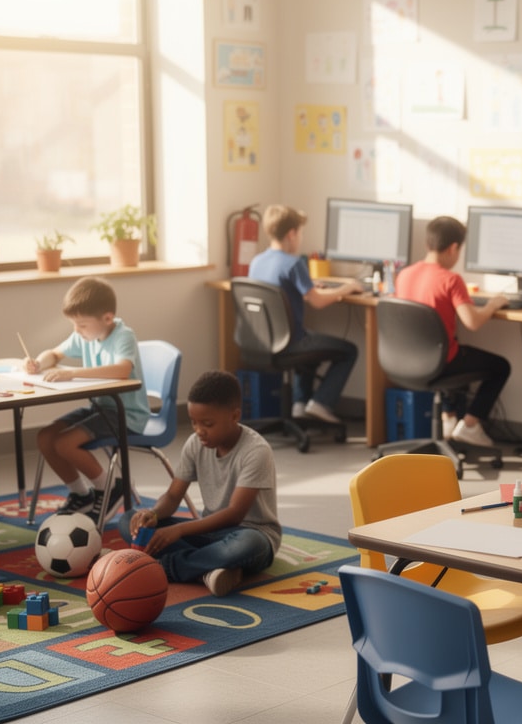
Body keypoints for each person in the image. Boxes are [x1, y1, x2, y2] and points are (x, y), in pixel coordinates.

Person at [120, 370, 280, 597]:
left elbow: (235, 514)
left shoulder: (256, 451)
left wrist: (179, 530)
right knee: (129, 521)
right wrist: (153, 514)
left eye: (207, 423)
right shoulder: (195, 443)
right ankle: (207, 570)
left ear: (234, 416)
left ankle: (162, 567)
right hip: (210, 532)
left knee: (247, 545)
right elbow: (173, 496)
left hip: (250, 533)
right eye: (194, 422)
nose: (198, 430)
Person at [25, 276, 149, 521]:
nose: (76, 331)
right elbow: (55, 353)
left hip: (126, 413)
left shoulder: (123, 335)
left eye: (81, 325)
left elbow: (122, 369)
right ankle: (81, 494)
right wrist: (38, 362)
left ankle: (111, 487)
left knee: (64, 443)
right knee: (46, 437)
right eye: (74, 324)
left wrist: (72, 373)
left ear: (107, 318)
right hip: (101, 407)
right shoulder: (85, 336)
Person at [393, 216, 510, 447]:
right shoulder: (451, 279)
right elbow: (473, 322)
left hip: (405, 361)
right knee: (500, 366)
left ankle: (448, 418)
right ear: (454, 248)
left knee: (456, 347)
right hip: (439, 362)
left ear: (428, 243)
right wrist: (493, 304)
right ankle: (469, 425)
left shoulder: (404, 274)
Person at [247, 203, 362, 423]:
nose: (300, 238)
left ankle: (300, 405)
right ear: (292, 234)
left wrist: (310, 284)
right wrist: (346, 288)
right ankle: (321, 403)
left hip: (263, 339)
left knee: (310, 341)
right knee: (349, 350)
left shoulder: (257, 261)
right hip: (291, 342)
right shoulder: (293, 263)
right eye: (300, 233)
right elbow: (317, 302)